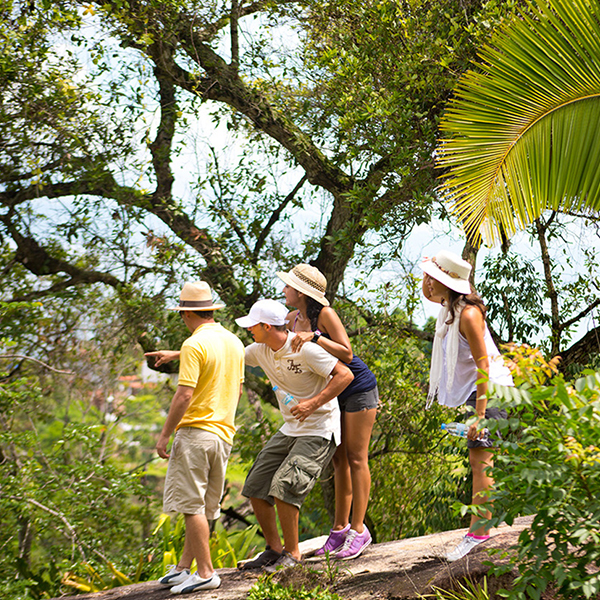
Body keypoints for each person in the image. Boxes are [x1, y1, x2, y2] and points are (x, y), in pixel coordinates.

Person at [235, 299, 354, 572]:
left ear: (266, 326)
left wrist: (314, 402)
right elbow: (226, 356)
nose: (249, 330)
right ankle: (274, 550)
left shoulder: (306, 350)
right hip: (291, 429)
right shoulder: (259, 350)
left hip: (320, 428)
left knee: (285, 486)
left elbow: (344, 374)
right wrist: (177, 355)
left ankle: (293, 555)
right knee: (256, 485)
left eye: (252, 325)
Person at [145, 281, 245, 594]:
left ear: (187, 313)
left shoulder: (194, 344)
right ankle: (181, 569)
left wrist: (165, 435)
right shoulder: (233, 341)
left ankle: (205, 572)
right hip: (223, 435)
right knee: (202, 505)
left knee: (191, 506)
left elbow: (185, 394)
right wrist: (177, 354)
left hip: (196, 433)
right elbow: (237, 387)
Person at [277, 264, 378, 560]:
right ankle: (339, 530)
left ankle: (359, 530)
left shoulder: (325, 315)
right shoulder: (291, 319)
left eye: (288, 286)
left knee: (357, 458)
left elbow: (347, 353)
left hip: (357, 387)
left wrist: (315, 337)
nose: (284, 290)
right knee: (338, 461)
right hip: (330, 393)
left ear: (301, 292)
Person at [421, 250, 512, 562]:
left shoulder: (468, 314)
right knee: (478, 460)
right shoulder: (450, 309)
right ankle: (480, 527)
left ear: (447, 283)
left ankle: (478, 533)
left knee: (481, 462)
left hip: (492, 390)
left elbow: (483, 364)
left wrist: (481, 415)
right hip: (480, 392)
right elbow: (429, 294)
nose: (427, 284)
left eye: (432, 279)